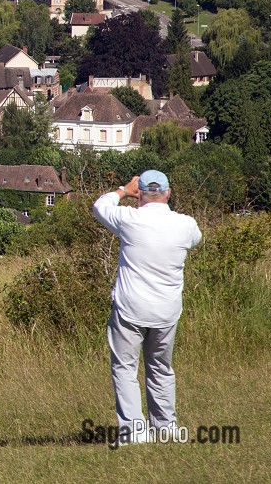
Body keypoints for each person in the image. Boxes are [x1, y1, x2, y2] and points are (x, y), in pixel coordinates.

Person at [92, 170, 203, 444]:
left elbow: (100, 206)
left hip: (131, 307)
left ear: (139, 193)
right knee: (160, 368)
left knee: (125, 369)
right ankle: (166, 427)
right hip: (166, 309)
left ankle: (134, 431)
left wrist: (122, 190)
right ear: (168, 192)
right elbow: (195, 240)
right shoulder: (185, 224)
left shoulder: (130, 219)